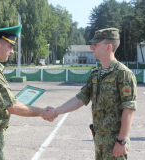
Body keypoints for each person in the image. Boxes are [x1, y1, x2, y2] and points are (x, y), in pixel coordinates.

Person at [0, 24, 58, 160]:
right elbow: (13, 108)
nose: (12, 52)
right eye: (10, 47)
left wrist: (6, 100)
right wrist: (42, 112)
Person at [46, 28, 137, 159]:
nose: (91, 47)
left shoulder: (123, 74)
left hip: (115, 140)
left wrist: (121, 140)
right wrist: (56, 111)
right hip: (99, 138)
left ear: (108, 47)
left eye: (96, 44)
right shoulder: (95, 74)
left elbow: (129, 108)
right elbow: (80, 98)